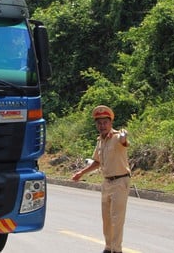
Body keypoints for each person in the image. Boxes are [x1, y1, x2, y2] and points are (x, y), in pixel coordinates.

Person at [71, 105, 131, 253]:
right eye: (99, 123)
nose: (102, 126)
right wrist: (81, 173)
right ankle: (108, 247)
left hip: (120, 182)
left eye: (105, 122)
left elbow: (124, 142)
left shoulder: (117, 137)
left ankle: (117, 249)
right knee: (107, 219)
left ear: (110, 123)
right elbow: (97, 162)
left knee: (117, 219)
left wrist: (124, 137)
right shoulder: (100, 141)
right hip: (107, 182)